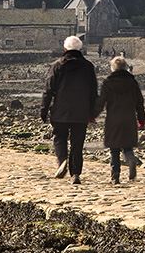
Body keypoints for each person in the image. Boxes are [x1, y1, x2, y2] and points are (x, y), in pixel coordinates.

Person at [41, 35, 98, 184]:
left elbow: (48, 90)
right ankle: (76, 174)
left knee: (59, 138)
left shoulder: (57, 65)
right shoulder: (88, 66)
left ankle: (62, 161)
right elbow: (93, 92)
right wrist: (92, 112)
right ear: (80, 48)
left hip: (60, 110)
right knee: (77, 143)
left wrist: (44, 110)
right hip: (81, 111)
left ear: (65, 48)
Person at [94, 56, 145, 184]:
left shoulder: (108, 82)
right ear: (126, 67)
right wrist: (141, 119)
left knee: (114, 149)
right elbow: (140, 102)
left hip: (113, 119)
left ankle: (115, 176)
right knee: (127, 147)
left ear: (112, 68)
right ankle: (131, 159)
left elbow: (101, 102)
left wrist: (92, 115)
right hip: (129, 118)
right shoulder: (132, 82)